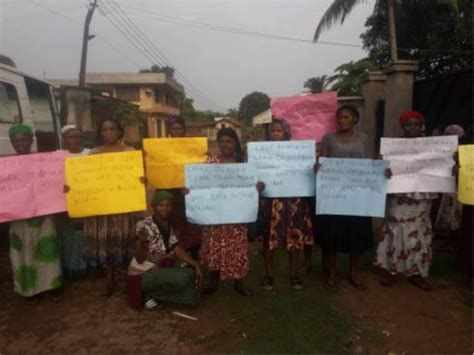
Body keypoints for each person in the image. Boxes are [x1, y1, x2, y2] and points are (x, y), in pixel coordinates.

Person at [374, 111, 438, 291]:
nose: (412, 128)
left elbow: (441, 168)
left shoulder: (432, 148)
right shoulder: (393, 148)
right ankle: (390, 270)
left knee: (418, 234)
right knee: (395, 231)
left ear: (421, 126)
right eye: (408, 124)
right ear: (403, 127)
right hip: (398, 197)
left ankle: (416, 272)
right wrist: (382, 166)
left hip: (421, 198)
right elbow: (380, 171)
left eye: (416, 124)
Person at [317, 104, 374, 291]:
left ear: (355, 119)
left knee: (355, 234)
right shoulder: (328, 139)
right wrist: (318, 168)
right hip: (335, 195)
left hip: (357, 195)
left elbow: (370, 164)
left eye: (346, 117)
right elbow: (323, 162)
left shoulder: (364, 139)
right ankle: (332, 273)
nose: (342, 121)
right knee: (334, 234)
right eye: (340, 118)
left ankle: (353, 273)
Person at [198, 127, 261, 296]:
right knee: (214, 245)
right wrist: (189, 191)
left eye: (229, 141)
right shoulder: (211, 162)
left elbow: (252, 185)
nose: (225, 145)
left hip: (236, 215)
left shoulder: (243, 163)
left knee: (237, 247)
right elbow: (200, 185)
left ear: (235, 143)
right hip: (215, 215)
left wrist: (258, 187)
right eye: (221, 141)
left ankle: (238, 281)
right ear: (217, 144)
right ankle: (213, 281)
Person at [82, 118, 139, 296]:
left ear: (119, 131)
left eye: (112, 129)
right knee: (105, 243)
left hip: (122, 206)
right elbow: (86, 180)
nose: (108, 133)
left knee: (122, 240)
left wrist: (141, 180)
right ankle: (109, 280)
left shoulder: (129, 152)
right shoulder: (93, 154)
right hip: (102, 207)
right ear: (100, 133)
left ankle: (125, 277)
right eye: (104, 130)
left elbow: (136, 177)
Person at [7, 123, 62, 303]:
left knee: (47, 250)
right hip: (18, 218)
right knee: (24, 252)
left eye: (24, 140)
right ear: (11, 142)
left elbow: (54, 183)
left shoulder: (43, 161)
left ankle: (50, 286)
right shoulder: (5, 165)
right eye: (16, 141)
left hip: (43, 215)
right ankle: (29, 290)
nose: (20, 143)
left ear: (31, 141)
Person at [257, 118, 314, 291]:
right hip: (271, 201)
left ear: (286, 132)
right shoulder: (262, 152)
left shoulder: (297, 151)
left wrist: (313, 167)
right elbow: (255, 173)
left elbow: (307, 171)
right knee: (269, 239)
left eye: (278, 131)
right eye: (272, 131)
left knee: (294, 237)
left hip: (294, 201)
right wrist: (258, 184)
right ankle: (269, 275)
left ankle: (294, 274)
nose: (275, 134)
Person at [128, 191, 203, 310]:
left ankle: (159, 295)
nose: (165, 209)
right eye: (161, 205)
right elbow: (139, 259)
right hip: (143, 273)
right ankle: (149, 294)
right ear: (154, 207)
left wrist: (194, 263)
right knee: (184, 277)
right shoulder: (144, 225)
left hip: (158, 267)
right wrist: (142, 242)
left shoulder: (167, 224)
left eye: (168, 205)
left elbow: (176, 247)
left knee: (189, 268)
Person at [164, 117, 202, 259]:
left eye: (179, 128)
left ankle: (193, 256)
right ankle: (175, 255)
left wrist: (203, 156)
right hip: (170, 190)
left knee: (190, 223)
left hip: (188, 191)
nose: (176, 131)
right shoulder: (162, 147)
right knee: (173, 225)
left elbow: (197, 165)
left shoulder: (191, 146)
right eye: (174, 128)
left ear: (183, 129)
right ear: (169, 130)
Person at [56, 125, 90, 277]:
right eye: (71, 137)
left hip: (88, 198)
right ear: (64, 140)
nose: (75, 140)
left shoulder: (90, 153)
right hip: (65, 201)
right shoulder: (57, 156)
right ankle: (70, 266)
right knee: (69, 234)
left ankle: (88, 265)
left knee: (85, 232)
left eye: (78, 137)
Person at [434, 125, 465, 238]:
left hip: (458, 183)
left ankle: (455, 230)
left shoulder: (462, 150)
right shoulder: (442, 150)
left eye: (456, 136)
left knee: (456, 206)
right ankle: (446, 230)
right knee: (447, 205)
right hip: (446, 182)